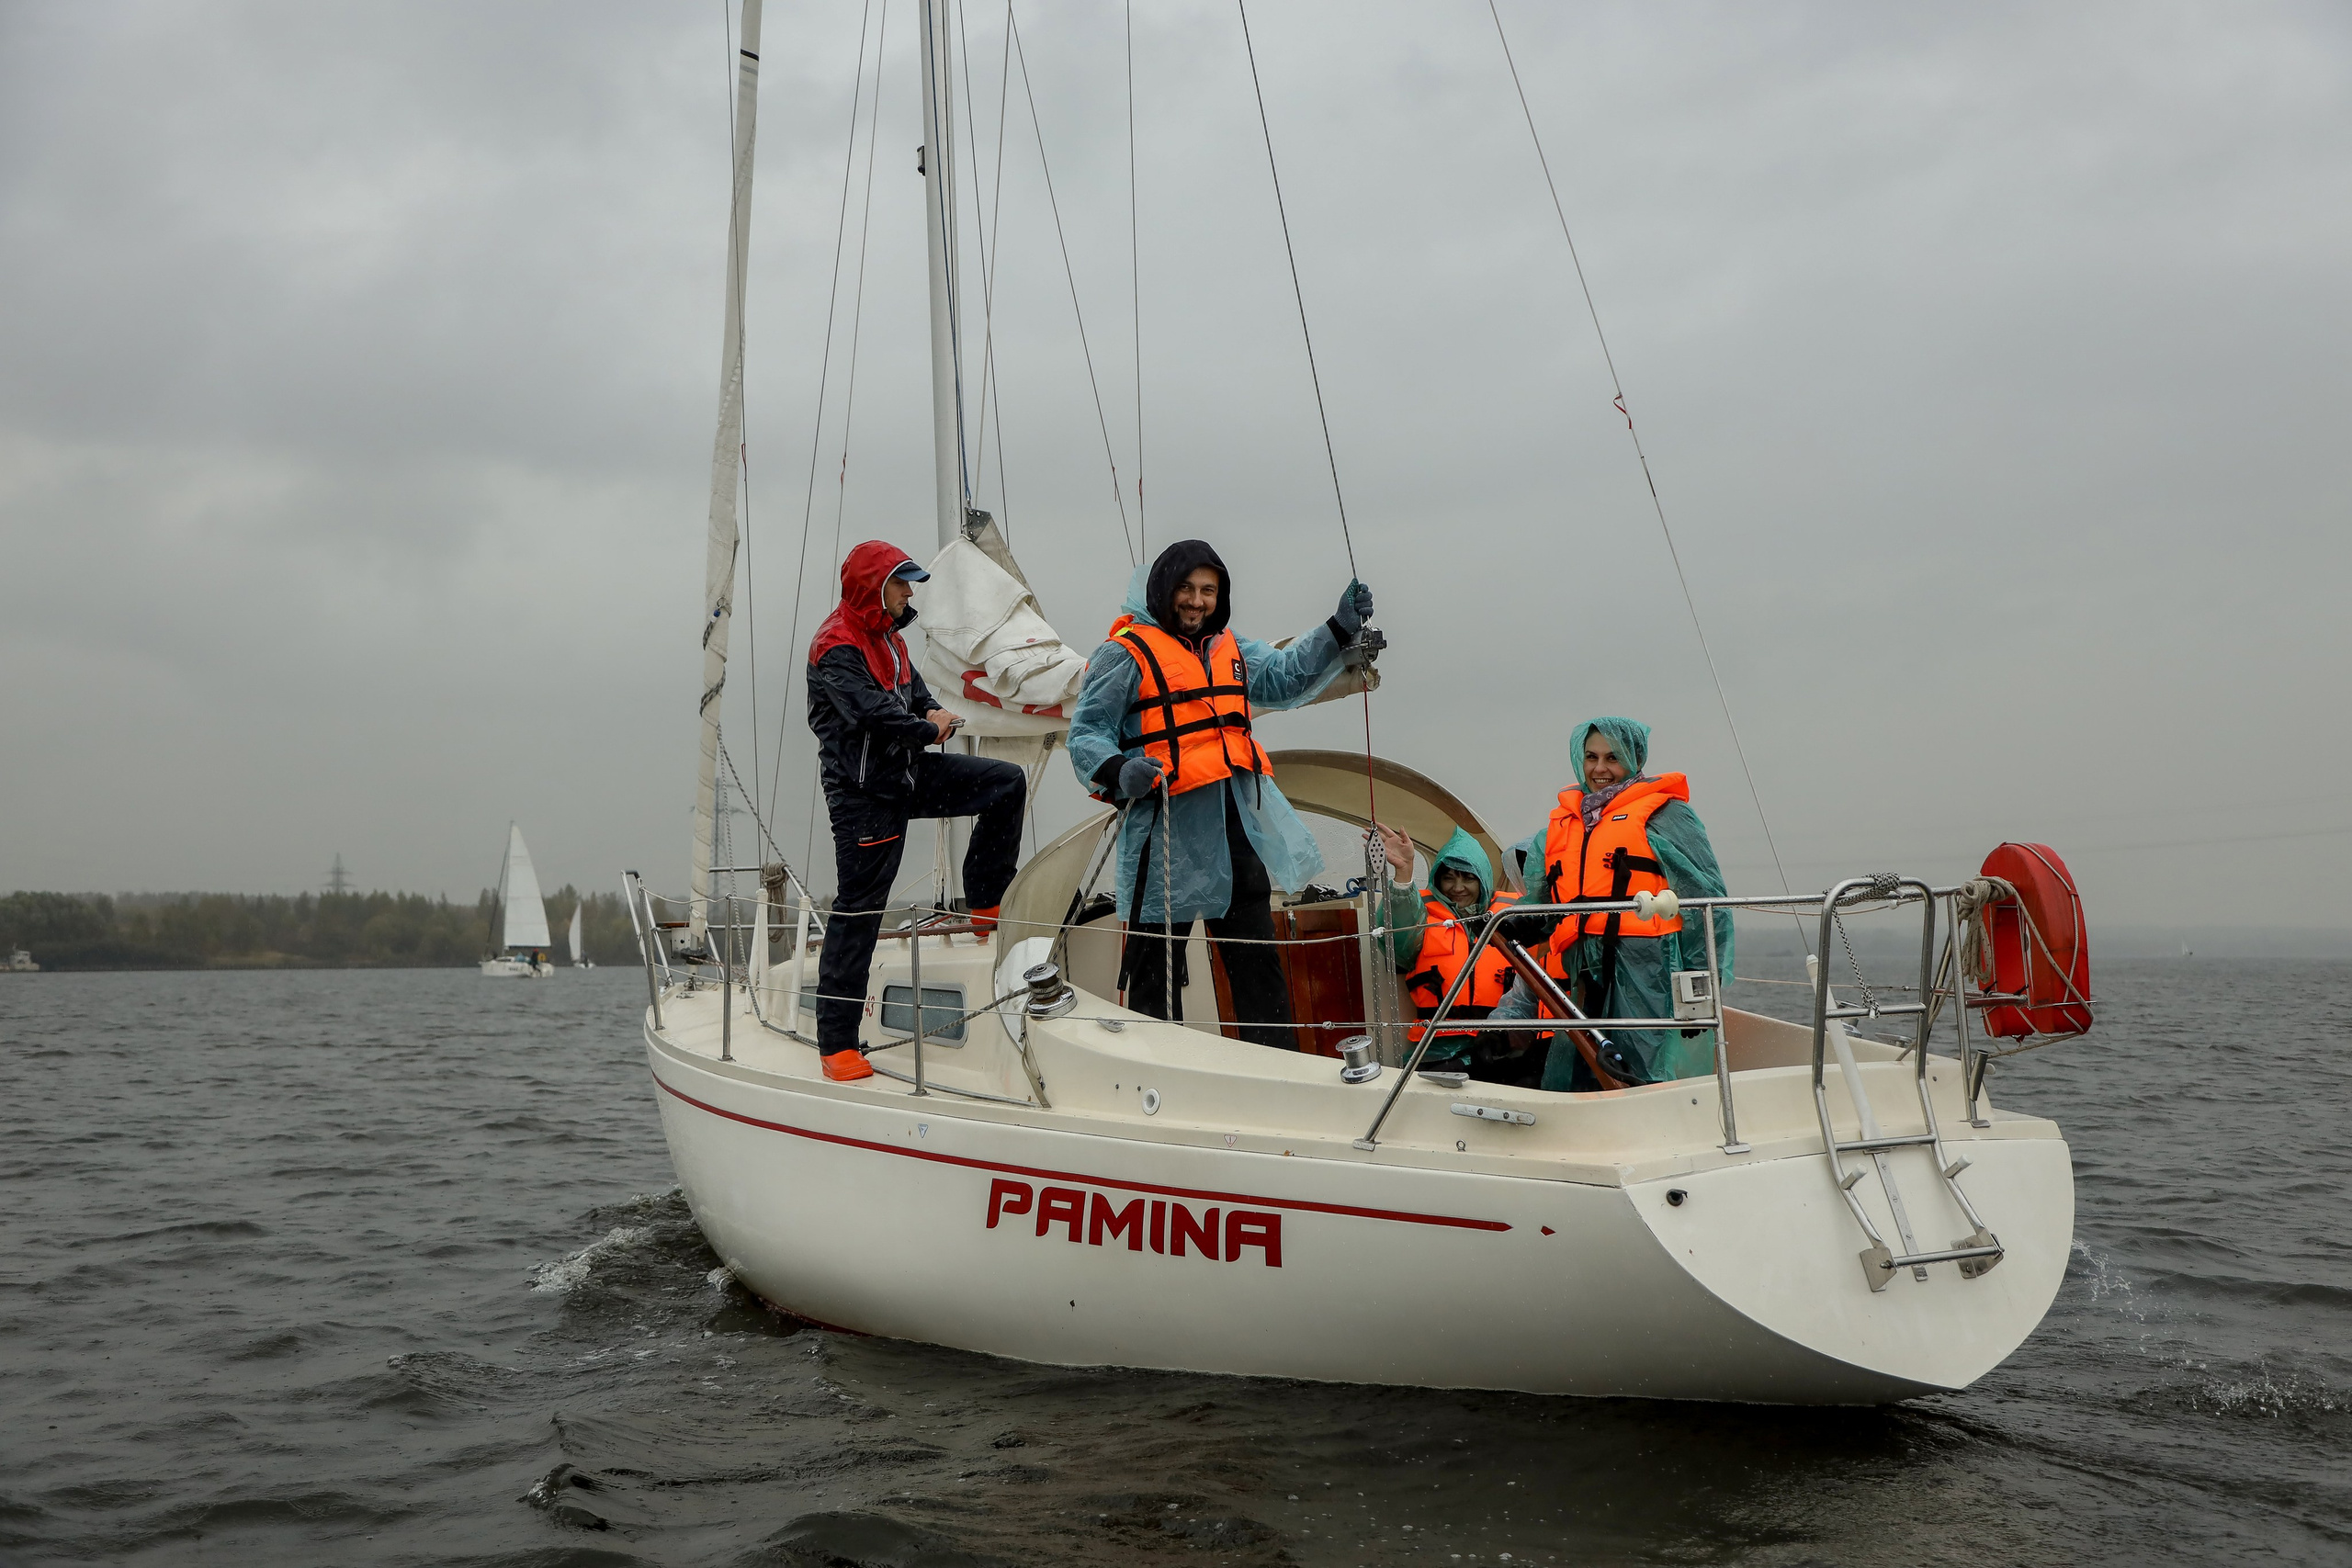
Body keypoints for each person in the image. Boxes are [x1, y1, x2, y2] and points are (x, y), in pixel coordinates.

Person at [1067, 539, 1374, 1048]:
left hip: (1234, 828)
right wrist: (1121, 769)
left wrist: (1337, 628)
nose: (1197, 601)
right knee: (1156, 971)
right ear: (1164, 589)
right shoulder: (1124, 654)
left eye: (1208, 591)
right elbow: (1086, 734)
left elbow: (1285, 677)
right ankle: (1154, 1063)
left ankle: (1275, 1064)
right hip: (1164, 831)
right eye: (1186, 588)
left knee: (1257, 963)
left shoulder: (1230, 646)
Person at [807, 540, 1026, 1082]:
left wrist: (932, 711)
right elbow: (872, 713)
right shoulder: (835, 646)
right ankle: (837, 1044)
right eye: (902, 583)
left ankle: (985, 901)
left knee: (1005, 783)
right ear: (875, 589)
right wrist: (929, 728)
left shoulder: (893, 639)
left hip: (906, 774)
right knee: (860, 911)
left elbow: (916, 696)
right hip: (863, 797)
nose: (910, 592)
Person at [1490, 716, 1734, 1090]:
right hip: (1582, 969)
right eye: (1591, 757)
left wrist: (1702, 988)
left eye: (1612, 757)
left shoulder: (1666, 816)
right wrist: (1520, 921)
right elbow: (1542, 898)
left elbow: (1705, 901)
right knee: (1580, 1070)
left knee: (1644, 1070)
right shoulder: (1562, 825)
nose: (1600, 769)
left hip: (1647, 967)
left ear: (1635, 759)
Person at [1372, 823, 1546, 1087]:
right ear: (1438, 880)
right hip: (1436, 1048)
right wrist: (1404, 873)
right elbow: (1397, 939)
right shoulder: (1421, 916)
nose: (1458, 887)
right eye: (1449, 878)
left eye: (1468, 878)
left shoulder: (1512, 916)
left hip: (1502, 1046)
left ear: (1483, 880)